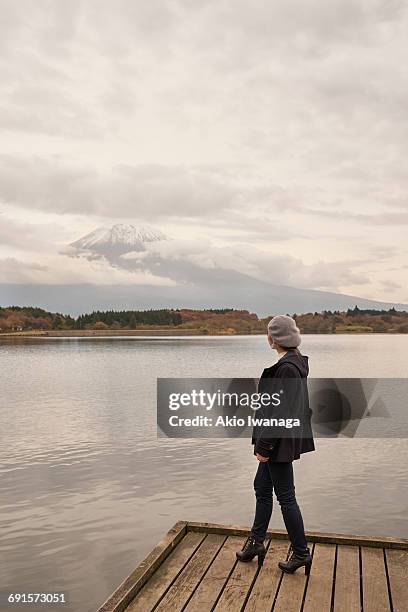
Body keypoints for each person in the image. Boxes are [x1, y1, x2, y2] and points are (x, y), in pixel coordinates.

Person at [236, 315, 315, 574]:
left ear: (274, 338)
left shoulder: (288, 368)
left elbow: (280, 412)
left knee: (286, 498)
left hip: (277, 444)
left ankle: (302, 552)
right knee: (261, 487)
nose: (268, 338)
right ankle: (256, 543)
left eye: (269, 334)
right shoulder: (292, 363)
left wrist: (264, 446)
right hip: (279, 441)